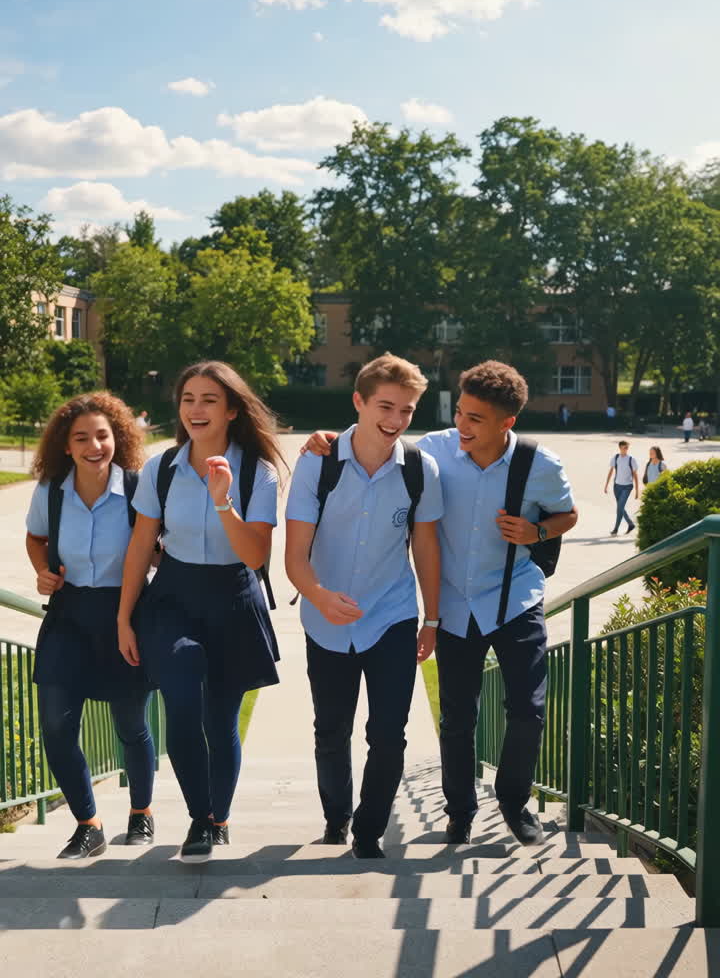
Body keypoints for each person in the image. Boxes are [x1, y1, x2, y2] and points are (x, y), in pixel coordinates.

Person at [301, 359, 578, 848]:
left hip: (513, 596)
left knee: (530, 708)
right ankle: (460, 812)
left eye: (475, 418)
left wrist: (538, 530)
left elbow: (567, 514)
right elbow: (376, 437)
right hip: (452, 604)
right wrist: (325, 438)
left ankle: (513, 800)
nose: (461, 425)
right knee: (457, 717)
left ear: (506, 422)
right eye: (461, 413)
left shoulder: (540, 465)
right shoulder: (431, 453)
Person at [117, 361, 282, 861]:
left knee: (221, 719)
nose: (196, 409)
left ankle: (219, 817)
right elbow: (141, 545)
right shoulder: (160, 468)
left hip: (234, 596)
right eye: (188, 398)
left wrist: (223, 500)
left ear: (232, 410)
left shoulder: (258, 472)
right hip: (173, 598)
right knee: (182, 705)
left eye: (209, 399)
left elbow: (255, 557)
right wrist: (125, 617)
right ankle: (199, 819)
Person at [285, 354, 443, 860]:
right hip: (324, 617)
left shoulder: (421, 468)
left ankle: (369, 830)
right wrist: (319, 596)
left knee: (388, 733)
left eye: (408, 410)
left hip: (391, 615)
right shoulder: (318, 461)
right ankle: (337, 816)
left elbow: (425, 549)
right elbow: (292, 556)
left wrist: (431, 618)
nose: (396, 421)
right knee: (331, 729)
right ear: (358, 401)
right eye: (385, 406)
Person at [25, 393, 155, 859]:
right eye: (81, 438)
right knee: (57, 728)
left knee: (130, 724)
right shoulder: (51, 492)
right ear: (66, 446)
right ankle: (88, 824)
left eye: (102, 435)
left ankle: (141, 813)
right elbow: (35, 538)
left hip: (126, 616)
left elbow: (156, 548)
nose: (93, 445)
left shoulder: (140, 488)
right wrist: (42, 570)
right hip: (68, 616)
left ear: (116, 438)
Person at [604, 440, 639, 535]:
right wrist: (606, 485)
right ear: (620, 448)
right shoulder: (615, 458)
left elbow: (635, 475)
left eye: (627, 447)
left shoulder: (631, 459)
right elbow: (611, 471)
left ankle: (615, 529)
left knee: (619, 507)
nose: (626, 449)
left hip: (627, 487)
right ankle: (630, 524)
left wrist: (637, 490)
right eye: (624, 447)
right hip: (617, 486)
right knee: (621, 507)